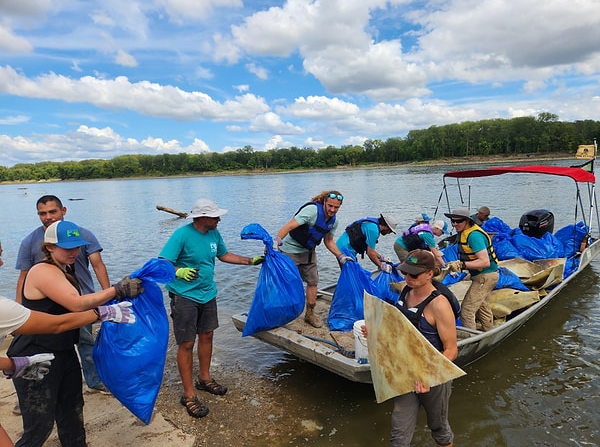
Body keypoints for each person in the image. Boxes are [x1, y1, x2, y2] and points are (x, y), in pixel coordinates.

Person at [7, 220, 143, 447]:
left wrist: (111, 303)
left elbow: (76, 309)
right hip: (34, 356)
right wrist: (115, 291)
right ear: (49, 247)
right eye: (67, 247)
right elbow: (77, 304)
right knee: (39, 427)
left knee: (72, 412)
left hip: (63, 352)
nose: (74, 252)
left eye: (77, 246)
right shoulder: (41, 271)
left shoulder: (65, 268)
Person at [159, 198, 264, 419]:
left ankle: (204, 379)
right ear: (202, 218)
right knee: (187, 343)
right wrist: (178, 271)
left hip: (208, 293)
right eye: (215, 216)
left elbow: (224, 255)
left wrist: (250, 261)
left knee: (207, 335)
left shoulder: (214, 234)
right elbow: (163, 262)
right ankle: (188, 395)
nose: (219, 219)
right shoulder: (182, 234)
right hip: (184, 295)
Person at [0, 296, 135, 447]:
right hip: (38, 349)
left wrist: (13, 365)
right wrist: (102, 311)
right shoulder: (3, 307)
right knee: (39, 427)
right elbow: (58, 323)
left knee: (72, 416)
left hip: (62, 352)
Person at [15, 195, 110, 393]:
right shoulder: (29, 241)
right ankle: (32, 390)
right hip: (51, 306)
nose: (48, 217)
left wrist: (108, 295)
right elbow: (23, 277)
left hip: (84, 298)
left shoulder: (83, 235)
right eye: (43, 213)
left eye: (53, 211)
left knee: (86, 341)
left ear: (63, 211)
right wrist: (19, 310)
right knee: (45, 348)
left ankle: (94, 380)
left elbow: (98, 265)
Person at [364, 249, 458, 446]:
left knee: (439, 428)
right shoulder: (406, 290)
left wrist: (428, 376)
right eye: (405, 272)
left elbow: (451, 350)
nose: (407, 277)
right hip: (405, 372)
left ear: (430, 274)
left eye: (414, 274)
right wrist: (375, 332)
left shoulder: (439, 305)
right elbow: (399, 330)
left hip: (433, 377)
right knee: (398, 435)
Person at [274, 190, 349, 329]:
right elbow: (289, 226)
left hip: (308, 252)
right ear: (324, 202)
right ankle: (280, 313)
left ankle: (309, 314)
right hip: (290, 250)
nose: (332, 210)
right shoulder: (312, 211)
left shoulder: (334, 221)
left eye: (336, 207)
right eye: (330, 206)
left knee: (313, 281)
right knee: (287, 283)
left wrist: (341, 256)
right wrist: (276, 241)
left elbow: (329, 241)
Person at [445, 207, 499, 331]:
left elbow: (484, 262)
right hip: (481, 275)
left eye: (458, 221)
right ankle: (489, 331)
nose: (455, 224)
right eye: (453, 221)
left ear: (467, 221)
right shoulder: (464, 233)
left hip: (486, 276)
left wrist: (462, 265)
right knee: (481, 306)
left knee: (467, 311)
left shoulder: (474, 236)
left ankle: (471, 340)